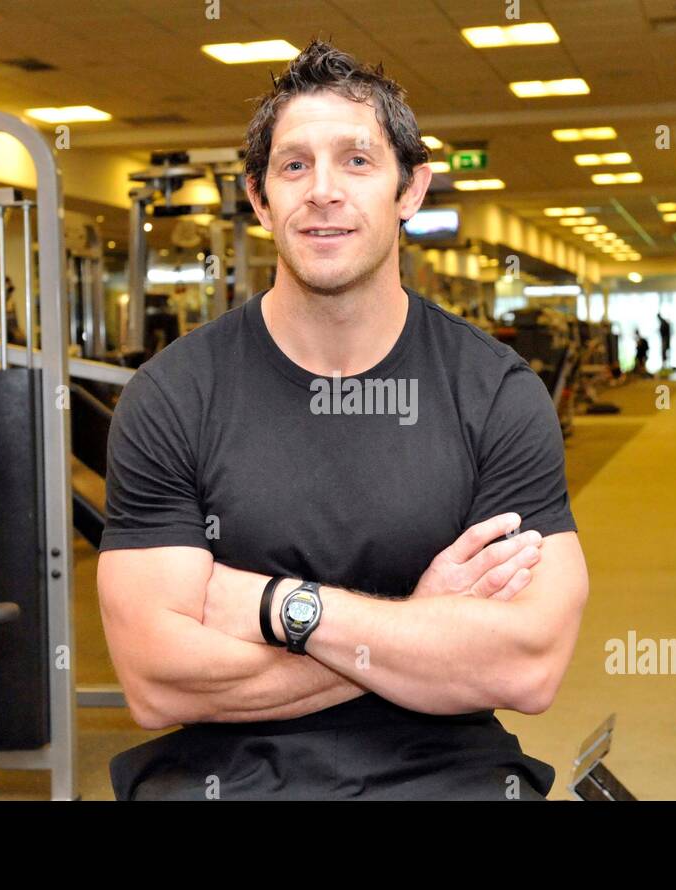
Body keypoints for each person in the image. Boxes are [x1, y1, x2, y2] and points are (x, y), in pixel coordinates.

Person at [97, 39, 588, 801]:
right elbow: (157, 681)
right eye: (294, 166)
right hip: (224, 780)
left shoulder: (495, 391)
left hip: (446, 776)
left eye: (357, 161)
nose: (323, 190)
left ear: (411, 189)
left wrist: (279, 609)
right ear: (260, 199)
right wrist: (421, 626)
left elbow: (526, 665)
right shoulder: (170, 396)